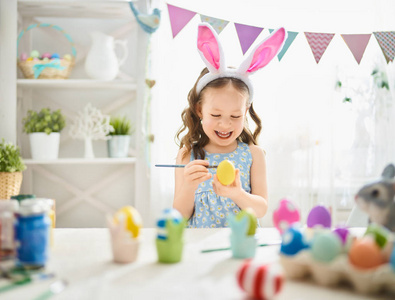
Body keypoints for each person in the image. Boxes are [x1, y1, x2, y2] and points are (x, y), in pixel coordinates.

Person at [173, 23, 286, 228]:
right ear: (199, 110)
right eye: (215, 114)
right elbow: (178, 217)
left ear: (245, 112)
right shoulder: (186, 155)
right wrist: (189, 187)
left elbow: (260, 209)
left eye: (235, 116)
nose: (225, 124)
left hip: (241, 246)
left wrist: (237, 193)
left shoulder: (254, 154)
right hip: (199, 249)